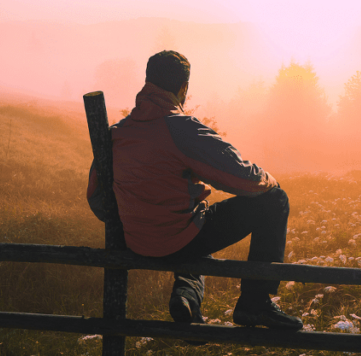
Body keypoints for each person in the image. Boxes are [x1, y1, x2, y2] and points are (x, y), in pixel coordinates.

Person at [87, 50, 302, 332]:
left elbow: (96, 195)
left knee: (191, 228)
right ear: (183, 88)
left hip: (136, 240)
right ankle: (256, 302)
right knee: (275, 200)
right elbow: (240, 177)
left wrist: (135, 220)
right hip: (178, 238)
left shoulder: (118, 132)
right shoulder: (181, 129)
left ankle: (187, 298)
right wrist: (270, 181)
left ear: (148, 82)